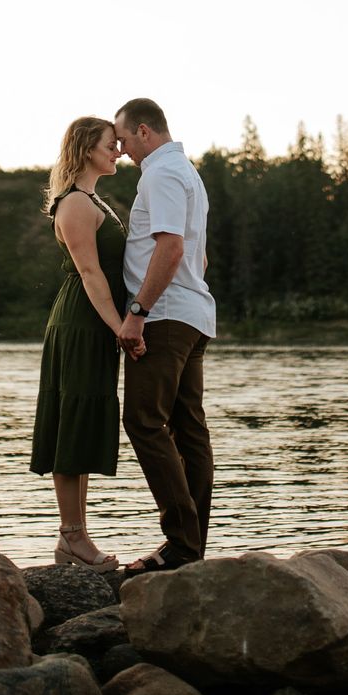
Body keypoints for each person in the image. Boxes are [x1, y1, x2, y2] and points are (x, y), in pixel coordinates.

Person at [30, 116, 142, 569]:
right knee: (72, 420)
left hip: (94, 321)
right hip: (81, 321)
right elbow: (91, 273)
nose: (118, 151)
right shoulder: (75, 204)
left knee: (84, 417)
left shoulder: (94, 199)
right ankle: (71, 536)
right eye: (110, 144)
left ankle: (74, 537)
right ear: (85, 149)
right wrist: (121, 325)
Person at [113, 98, 216, 574]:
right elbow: (200, 256)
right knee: (188, 427)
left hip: (166, 317)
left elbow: (171, 249)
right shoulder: (186, 172)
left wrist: (137, 312)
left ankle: (180, 542)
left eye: (125, 138)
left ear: (145, 131)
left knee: (143, 421)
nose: (122, 148)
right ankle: (190, 548)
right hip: (190, 315)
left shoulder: (160, 174)